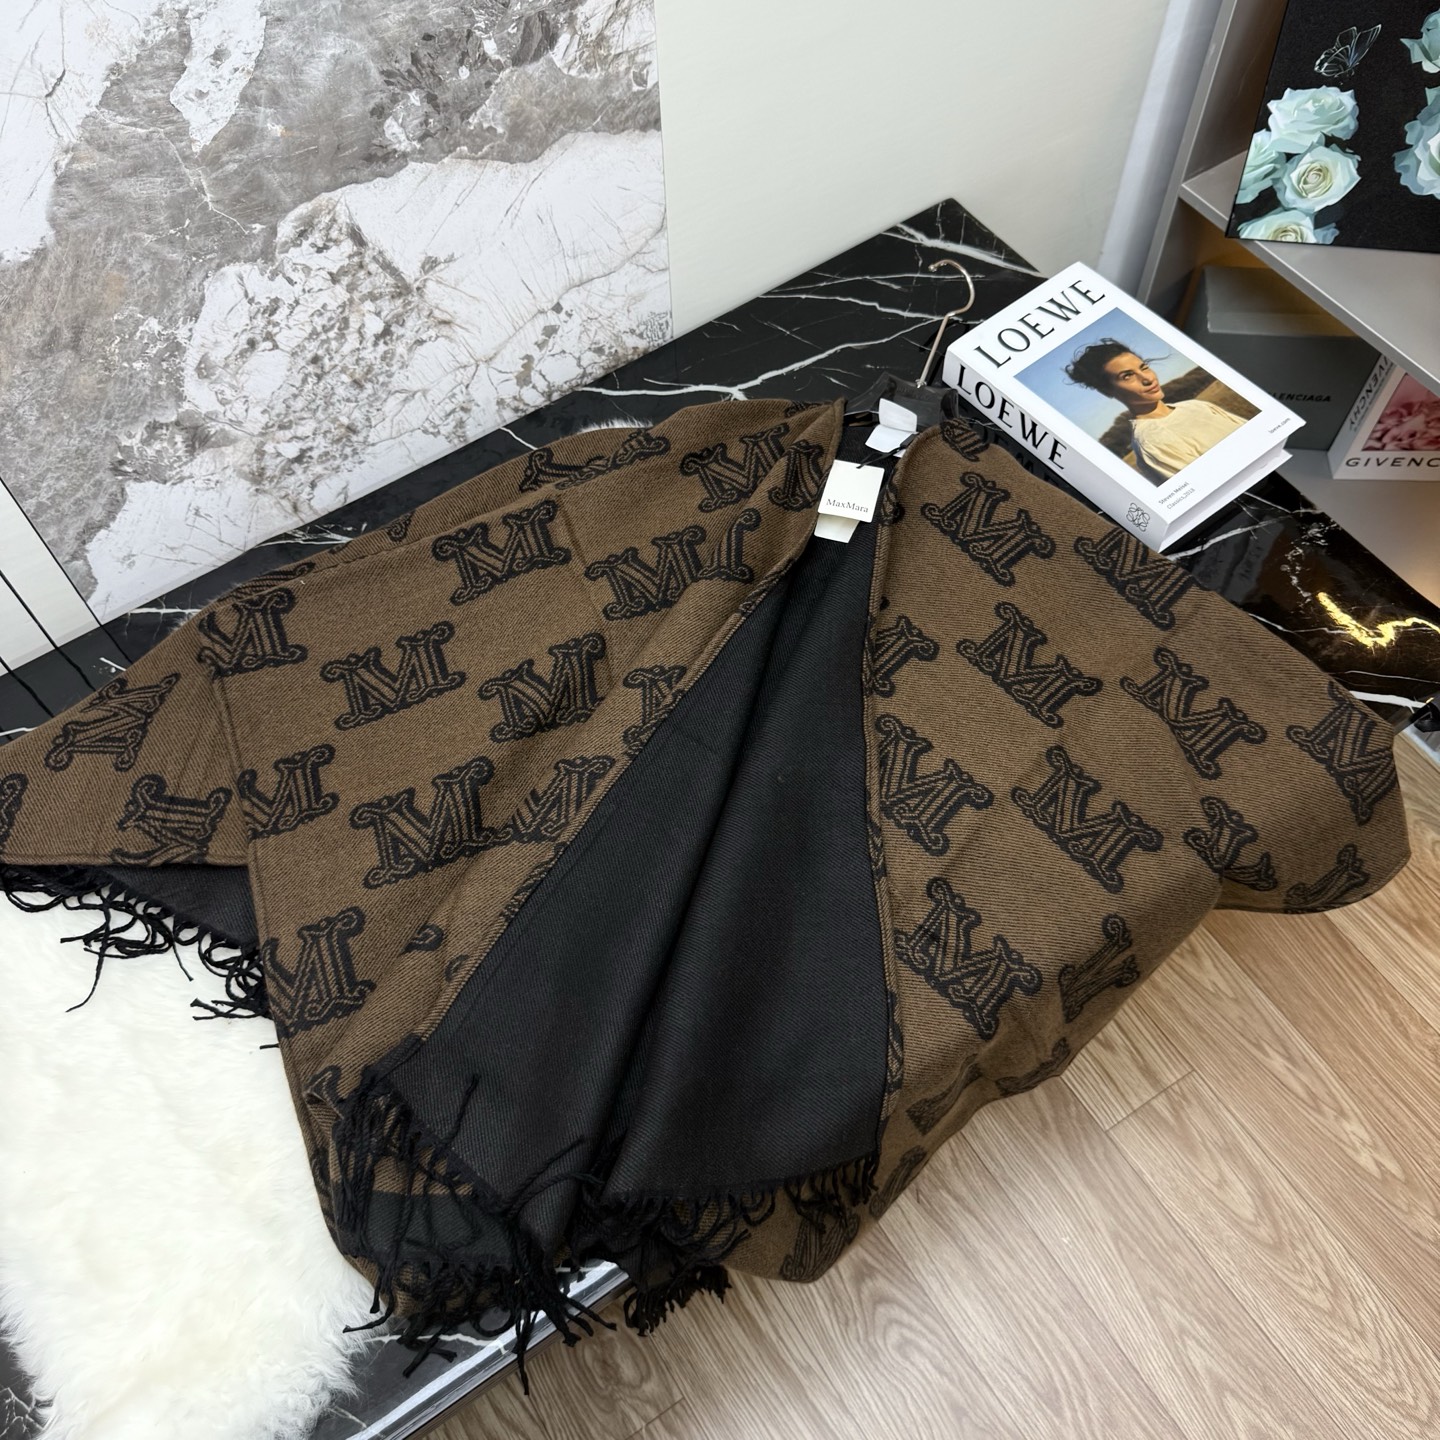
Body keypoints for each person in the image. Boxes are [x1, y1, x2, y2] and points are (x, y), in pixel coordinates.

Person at [1064, 339, 1245, 482]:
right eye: (1127, 376)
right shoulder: (1151, 444)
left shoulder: (1194, 406)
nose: (1147, 378)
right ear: (1107, 391)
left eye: (1144, 367)